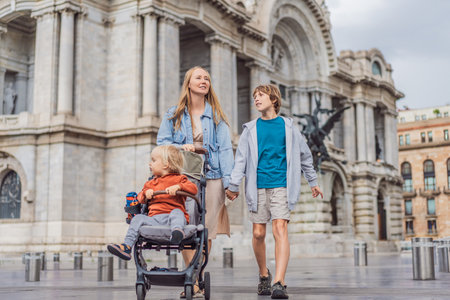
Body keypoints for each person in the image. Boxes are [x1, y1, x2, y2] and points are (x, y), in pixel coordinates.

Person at [226, 84, 323, 299]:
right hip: (257, 185)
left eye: (261, 95)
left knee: (280, 229)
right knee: (258, 233)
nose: (256, 99)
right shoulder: (250, 129)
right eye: (254, 96)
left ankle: (280, 281)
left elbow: (305, 156)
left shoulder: (289, 128)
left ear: (274, 99)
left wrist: (313, 181)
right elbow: (240, 160)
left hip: (282, 185)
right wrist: (233, 186)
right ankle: (264, 275)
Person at [157, 66, 234, 297]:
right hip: (183, 178)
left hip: (213, 178)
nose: (204, 81)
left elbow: (225, 150)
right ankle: (192, 279)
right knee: (187, 227)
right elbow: (162, 143)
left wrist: (230, 183)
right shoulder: (174, 114)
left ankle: (197, 276)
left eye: (207, 78)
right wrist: (182, 147)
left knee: (207, 232)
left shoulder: (217, 116)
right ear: (188, 83)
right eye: (199, 77)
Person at [107, 145, 198, 261]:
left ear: (166, 164)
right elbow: (139, 199)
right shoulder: (150, 183)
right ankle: (127, 246)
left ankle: (177, 232)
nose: (150, 163)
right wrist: (145, 194)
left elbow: (193, 189)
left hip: (172, 218)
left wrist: (179, 187)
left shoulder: (180, 179)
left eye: (153, 160)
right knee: (138, 218)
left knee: (177, 212)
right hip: (154, 219)